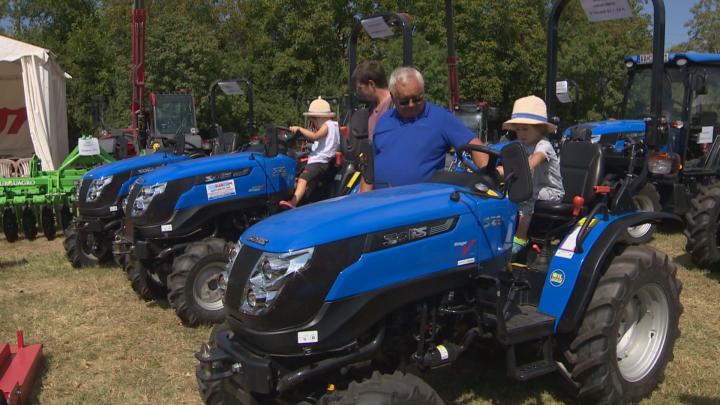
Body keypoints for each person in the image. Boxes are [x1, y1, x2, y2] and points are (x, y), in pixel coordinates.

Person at [368, 66, 488, 189]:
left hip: (421, 203)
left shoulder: (440, 118)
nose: (411, 105)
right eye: (404, 101)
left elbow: (474, 145)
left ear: (423, 92)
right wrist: (361, 199)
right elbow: (369, 169)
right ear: (393, 97)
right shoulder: (383, 121)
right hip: (382, 202)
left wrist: (488, 174)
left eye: (417, 99)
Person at [501, 95, 564, 254]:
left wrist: (515, 169)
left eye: (526, 129)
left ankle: (521, 237)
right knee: (504, 194)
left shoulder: (544, 145)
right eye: (518, 129)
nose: (521, 134)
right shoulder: (521, 145)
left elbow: (533, 161)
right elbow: (508, 165)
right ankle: (504, 233)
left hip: (551, 192)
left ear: (540, 128)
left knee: (528, 194)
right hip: (532, 187)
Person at [280, 97, 340, 209]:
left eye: (313, 121)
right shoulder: (335, 125)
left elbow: (315, 136)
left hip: (320, 161)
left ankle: (293, 202)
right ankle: (302, 197)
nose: (314, 125)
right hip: (323, 160)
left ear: (319, 118)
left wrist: (300, 129)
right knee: (299, 172)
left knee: (303, 179)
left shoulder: (327, 125)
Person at [352, 60, 393, 192]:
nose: (359, 93)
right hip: (370, 175)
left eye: (360, 88)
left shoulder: (394, 107)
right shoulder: (372, 108)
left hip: (386, 182)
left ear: (371, 84)